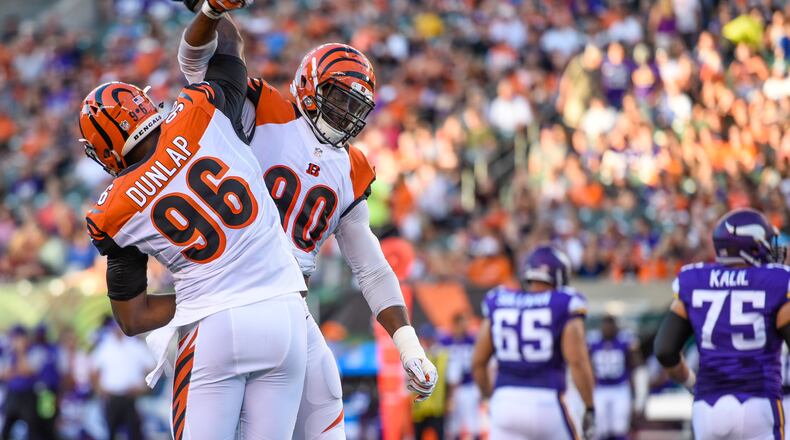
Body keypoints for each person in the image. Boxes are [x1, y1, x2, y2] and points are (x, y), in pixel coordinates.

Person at [175, 3, 438, 438]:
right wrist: (210, 12)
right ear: (310, 87)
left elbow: (371, 267)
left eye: (355, 107)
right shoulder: (263, 109)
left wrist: (408, 346)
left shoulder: (352, 167)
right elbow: (196, 61)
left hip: (289, 306)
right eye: (338, 100)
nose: (346, 116)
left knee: (326, 410)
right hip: (228, 290)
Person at [78, 1, 309, 438]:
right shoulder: (201, 111)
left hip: (216, 329)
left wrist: (207, 296)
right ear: (145, 108)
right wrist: (207, 9)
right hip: (286, 314)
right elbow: (229, 45)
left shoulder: (114, 210)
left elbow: (134, 318)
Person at [654, 208, 790, 439]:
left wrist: (690, 382)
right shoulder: (777, 281)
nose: (772, 248)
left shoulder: (693, 279)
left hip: (707, 407)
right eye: (766, 242)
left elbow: (665, 350)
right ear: (753, 246)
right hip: (758, 401)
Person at [471, 245, 596, 439]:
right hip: (547, 400)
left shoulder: (499, 299)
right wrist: (589, 406)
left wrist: (490, 398)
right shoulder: (565, 301)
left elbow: (478, 362)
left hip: (505, 402)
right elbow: (578, 362)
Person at [90, 319, 154, 440]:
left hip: (131, 397)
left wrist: (143, 388)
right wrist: (99, 390)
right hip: (112, 397)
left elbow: (151, 367)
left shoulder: (135, 345)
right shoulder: (105, 346)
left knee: (134, 432)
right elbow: (93, 371)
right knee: (111, 432)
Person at [587, 315, 645, 440]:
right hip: (600, 388)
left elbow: (637, 364)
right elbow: (585, 364)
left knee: (620, 427)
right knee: (599, 428)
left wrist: (638, 393)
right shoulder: (593, 340)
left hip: (620, 387)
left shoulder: (625, 340)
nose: (607, 329)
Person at [440, 313, 481, 440]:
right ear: (456, 324)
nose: (466, 326)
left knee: (473, 424)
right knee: (453, 426)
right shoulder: (445, 341)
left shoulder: (472, 340)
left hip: (469, 386)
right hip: (451, 389)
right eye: (463, 322)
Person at [0, 326, 42, 439]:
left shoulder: (35, 351)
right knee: (6, 430)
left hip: (29, 395)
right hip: (13, 394)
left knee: (32, 429)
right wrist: (15, 371)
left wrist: (21, 352)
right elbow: (5, 374)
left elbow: (27, 370)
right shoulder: (9, 353)